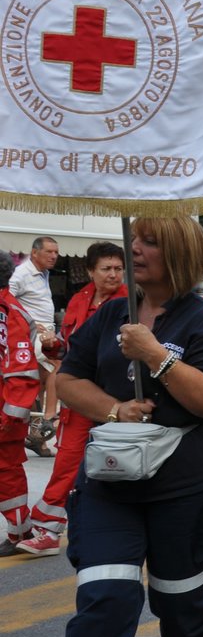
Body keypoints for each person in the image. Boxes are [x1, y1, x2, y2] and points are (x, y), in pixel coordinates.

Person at [41, 215, 203, 637]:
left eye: (149, 242)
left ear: (176, 253)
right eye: (135, 240)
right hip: (110, 488)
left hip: (185, 492)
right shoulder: (108, 316)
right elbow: (68, 379)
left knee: (182, 603)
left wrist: (156, 355)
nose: (135, 249)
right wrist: (114, 410)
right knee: (105, 597)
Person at [16, 243, 125, 557]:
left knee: (117, 468)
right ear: (90, 271)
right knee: (67, 462)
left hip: (115, 401)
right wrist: (52, 346)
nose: (113, 275)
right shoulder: (79, 300)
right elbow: (68, 352)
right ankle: (47, 530)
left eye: (118, 268)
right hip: (79, 398)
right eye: (106, 268)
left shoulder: (132, 302)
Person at [0, 254, 42, 553]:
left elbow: (22, 372)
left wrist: (9, 418)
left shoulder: (10, 312)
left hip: (5, 413)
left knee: (6, 471)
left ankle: (20, 532)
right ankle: (21, 530)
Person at [12, 236, 60, 457]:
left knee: (37, 385)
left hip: (46, 333)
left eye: (56, 252)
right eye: (49, 252)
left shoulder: (43, 273)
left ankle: (36, 437)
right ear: (34, 253)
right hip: (35, 334)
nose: (54, 256)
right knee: (59, 366)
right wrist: (31, 322)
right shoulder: (22, 273)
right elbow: (6, 299)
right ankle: (50, 416)